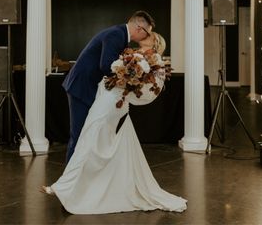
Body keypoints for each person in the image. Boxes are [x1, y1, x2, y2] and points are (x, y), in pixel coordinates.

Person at [42, 32, 187, 214]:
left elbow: (147, 91)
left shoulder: (153, 59)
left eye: (149, 35)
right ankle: (81, 187)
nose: (144, 35)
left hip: (114, 102)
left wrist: (127, 81)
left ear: (155, 42)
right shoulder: (132, 53)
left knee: (89, 139)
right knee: (93, 141)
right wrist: (120, 73)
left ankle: (63, 187)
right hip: (106, 97)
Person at [62, 11, 155, 162]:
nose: (145, 38)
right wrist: (130, 77)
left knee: (88, 133)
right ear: (139, 28)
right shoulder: (116, 35)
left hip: (87, 86)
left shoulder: (119, 34)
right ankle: (68, 181)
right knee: (79, 133)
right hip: (81, 86)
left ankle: (80, 177)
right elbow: (106, 65)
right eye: (146, 34)